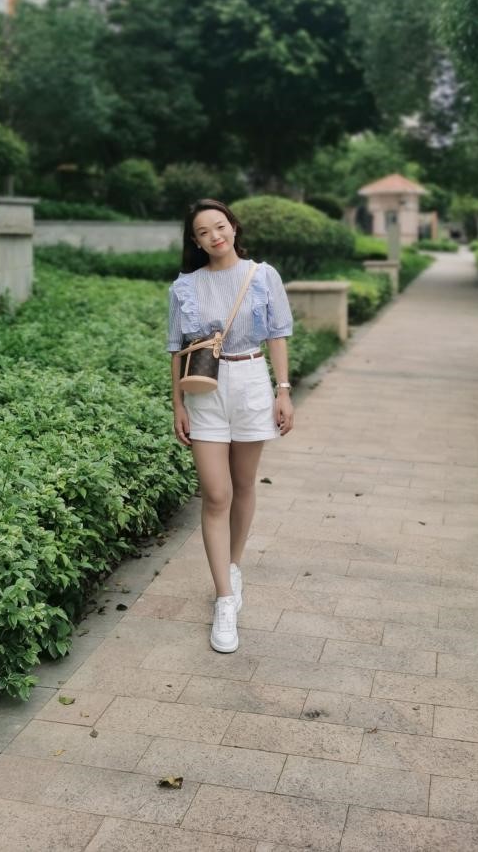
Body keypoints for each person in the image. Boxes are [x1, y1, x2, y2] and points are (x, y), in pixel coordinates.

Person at [167, 198, 294, 653]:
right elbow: (177, 348)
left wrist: (283, 390)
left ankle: (233, 566)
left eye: (219, 226)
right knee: (216, 494)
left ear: (234, 227)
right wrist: (177, 404)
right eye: (203, 232)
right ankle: (224, 599)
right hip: (204, 390)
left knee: (243, 485)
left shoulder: (262, 275)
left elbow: (277, 334)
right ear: (196, 241)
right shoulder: (185, 286)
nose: (214, 236)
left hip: (251, 382)